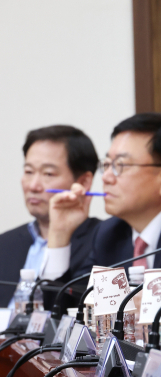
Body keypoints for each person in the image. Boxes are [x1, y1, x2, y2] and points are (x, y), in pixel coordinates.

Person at [47, 113, 161, 273]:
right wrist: (59, 233)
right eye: (107, 164)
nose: (106, 177)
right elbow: (74, 296)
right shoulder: (109, 233)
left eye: (120, 165)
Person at [0, 126, 100, 308]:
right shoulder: (5, 243)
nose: (33, 186)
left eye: (48, 173)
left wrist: (59, 233)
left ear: (84, 182)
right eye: (28, 172)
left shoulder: (103, 242)